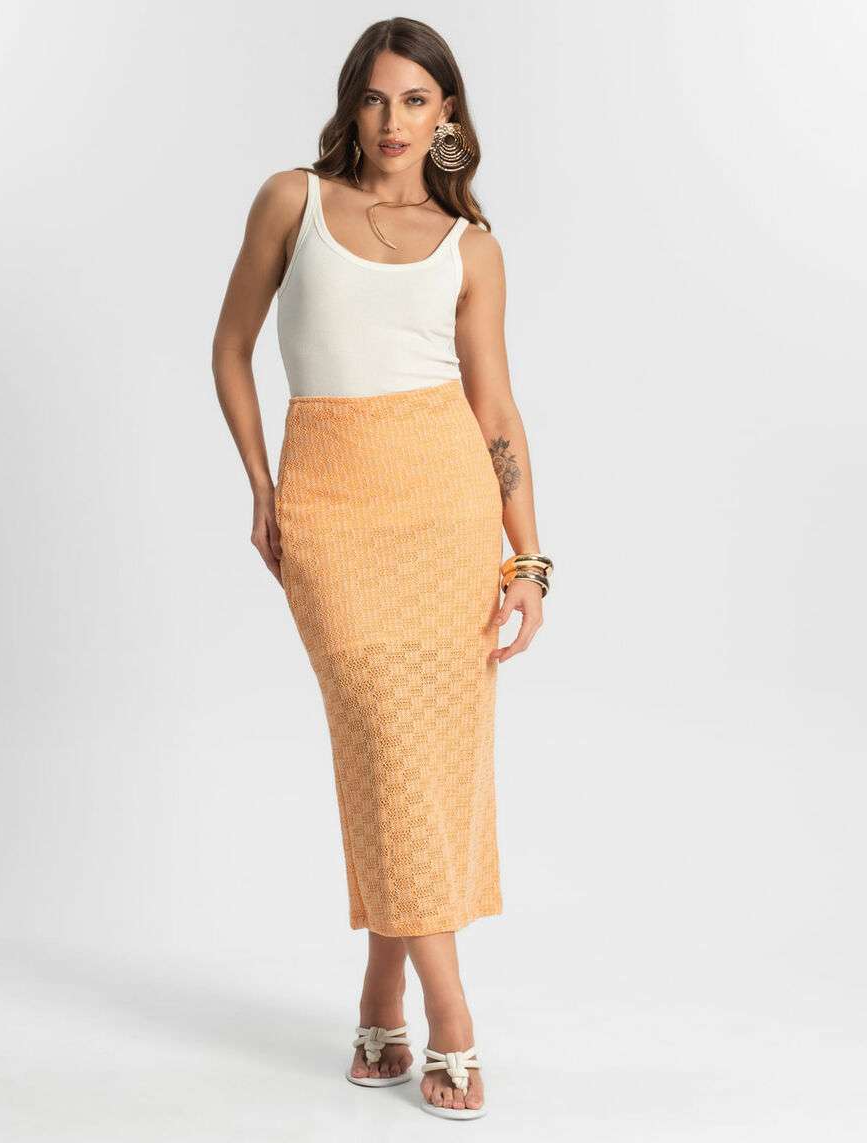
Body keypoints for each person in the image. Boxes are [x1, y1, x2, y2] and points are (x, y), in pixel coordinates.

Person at [211, 17, 552, 1121]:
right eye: (374, 97)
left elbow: (494, 411)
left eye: (415, 100)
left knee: (420, 761)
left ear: (447, 115)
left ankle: (381, 993)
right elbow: (230, 347)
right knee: (383, 735)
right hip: (329, 502)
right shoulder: (293, 201)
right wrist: (262, 486)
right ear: (350, 105)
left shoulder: (470, 246)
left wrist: (528, 558)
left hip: (446, 508)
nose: (393, 120)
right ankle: (453, 1013)